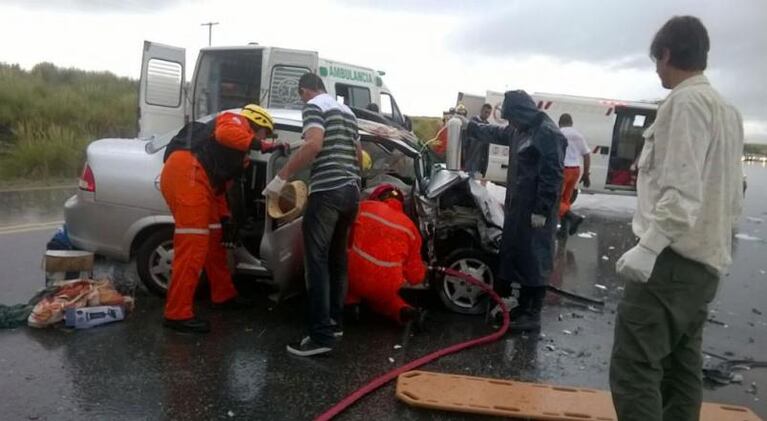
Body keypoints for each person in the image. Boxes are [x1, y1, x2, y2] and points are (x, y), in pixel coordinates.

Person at [610, 16, 744, 421]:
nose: (656, 69)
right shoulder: (728, 111)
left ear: (666, 53)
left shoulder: (684, 103)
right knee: (682, 369)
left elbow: (682, 192)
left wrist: (649, 248)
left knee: (635, 366)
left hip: (670, 264)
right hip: (705, 265)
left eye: (657, 60)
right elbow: (731, 194)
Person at [263, 72, 362, 357]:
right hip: (351, 190)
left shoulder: (313, 106)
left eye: (300, 95)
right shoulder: (347, 112)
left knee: (315, 262)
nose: (302, 99)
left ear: (304, 91)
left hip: (328, 190)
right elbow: (356, 155)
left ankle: (320, 337)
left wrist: (281, 177)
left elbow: (315, 144)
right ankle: (334, 322)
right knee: (337, 259)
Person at [161, 104, 281, 334]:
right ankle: (176, 314)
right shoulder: (235, 120)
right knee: (192, 247)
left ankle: (223, 295)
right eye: (266, 133)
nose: (266, 138)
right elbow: (225, 134)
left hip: (200, 180)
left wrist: (225, 218)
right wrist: (264, 146)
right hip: (187, 174)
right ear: (257, 124)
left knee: (215, 241)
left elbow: (220, 188)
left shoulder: (237, 158)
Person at [467, 90, 565, 332]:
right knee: (518, 253)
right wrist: (471, 127)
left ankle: (533, 313)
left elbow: (552, 175)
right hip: (518, 205)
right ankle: (521, 305)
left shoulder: (547, 134)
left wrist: (541, 210)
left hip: (535, 210)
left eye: (512, 118)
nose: (510, 123)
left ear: (522, 112)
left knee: (535, 258)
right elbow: (497, 132)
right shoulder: (519, 129)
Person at [346, 184, 427, 324]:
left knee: (346, 277)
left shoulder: (363, 207)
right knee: (387, 299)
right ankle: (404, 312)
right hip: (384, 285)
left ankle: (350, 305)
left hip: (353, 276)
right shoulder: (410, 228)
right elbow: (415, 277)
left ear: (376, 197)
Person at [556, 113, 590, 238]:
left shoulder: (558, 133)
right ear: (571, 123)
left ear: (560, 123)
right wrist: (586, 174)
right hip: (575, 170)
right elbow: (586, 155)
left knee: (554, 200)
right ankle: (564, 229)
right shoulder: (578, 135)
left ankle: (573, 218)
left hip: (562, 170)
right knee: (566, 199)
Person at [463, 103, 493, 177]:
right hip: (470, 157)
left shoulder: (488, 125)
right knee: (468, 179)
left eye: (489, 113)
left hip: (480, 160)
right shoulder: (472, 122)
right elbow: (465, 141)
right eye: (486, 112)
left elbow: (487, 146)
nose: (487, 115)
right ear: (481, 111)